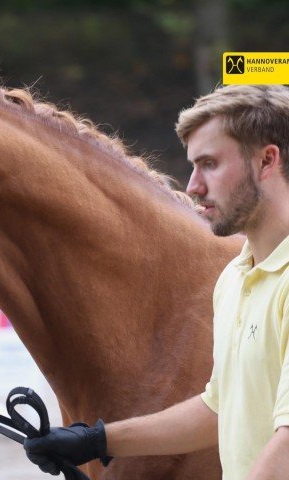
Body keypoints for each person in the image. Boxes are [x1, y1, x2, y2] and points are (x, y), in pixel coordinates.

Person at [24, 84, 289, 480]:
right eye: (193, 166)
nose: (193, 186)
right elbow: (218, 407)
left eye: (210, 164)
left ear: (267, 161)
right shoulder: (235, 276)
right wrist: (97, 441)